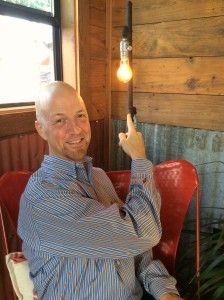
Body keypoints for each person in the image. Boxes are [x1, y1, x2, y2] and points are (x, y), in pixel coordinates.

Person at [18, 81, 182, 300]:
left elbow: (136, 251)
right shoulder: (42, 197)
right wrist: (139, 159)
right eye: (60, 120)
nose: (75, 129)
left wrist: (165, 292)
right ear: (41, 128)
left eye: (80, 116)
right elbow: (144, 232)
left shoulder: (98, 177)